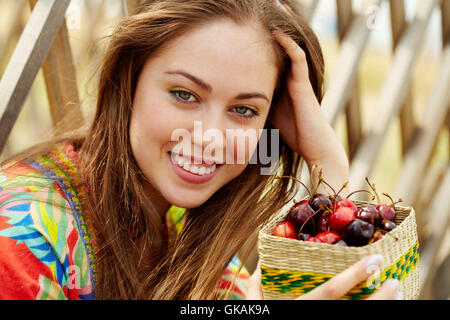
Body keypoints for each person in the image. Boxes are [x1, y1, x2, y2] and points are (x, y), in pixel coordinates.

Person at [0, 0, 401, 300]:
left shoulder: (178, 225)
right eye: (184, 94)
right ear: (130, 79)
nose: (211, 136)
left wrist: (326, 165)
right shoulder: (22, 236)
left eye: (244, 109)